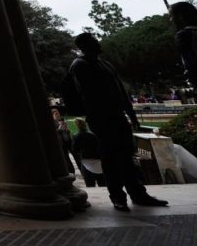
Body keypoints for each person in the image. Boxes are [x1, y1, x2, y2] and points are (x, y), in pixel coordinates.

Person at [69, 32, 167, 212]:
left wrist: (131, 114)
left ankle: (138, 193)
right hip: (102, 118)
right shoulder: (80, 65)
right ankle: (118, 197)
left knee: (127, 157)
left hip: (117, 116)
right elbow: (89, 94)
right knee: (110, 158)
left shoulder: (104, 64)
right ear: (84, 46)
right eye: (93, 41)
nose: (98, 43)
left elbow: (120, 90)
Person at [169, 1, 197, 95]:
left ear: (180, 17)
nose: (171, 19)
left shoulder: (183, 35)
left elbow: (191, 62)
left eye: (172, 16)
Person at [71, 118, 105, 187]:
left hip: (85, 160)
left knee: (90, 184)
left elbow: (75, 150)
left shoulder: (76, 136)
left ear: (77, 126)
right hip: (98, 160)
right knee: (102, 183)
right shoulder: (93, 134)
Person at [51, 107, 75, 173]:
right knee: (66, 158)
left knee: (75, 155)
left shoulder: (61, 120)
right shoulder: (52, 123)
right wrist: (60, 127)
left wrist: (67, 129)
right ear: (52, 115)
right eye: (56, 114)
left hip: (68, 141)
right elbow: (55, 133)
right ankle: (71, 171)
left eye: (58, 113)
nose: (58, 115)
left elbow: (67, 132)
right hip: (61, 143)